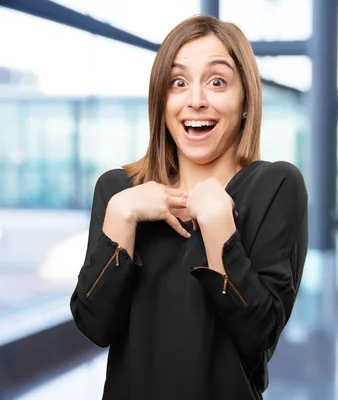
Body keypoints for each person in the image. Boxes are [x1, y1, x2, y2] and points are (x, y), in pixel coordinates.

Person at [70, 15, 308, 399]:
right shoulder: (118, 191)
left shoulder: (275, 186)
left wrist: (219, 228)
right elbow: (96, 326)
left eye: (217, 81)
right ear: (161, 102)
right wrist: (120, 217)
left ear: (245, 98)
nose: (196, 99)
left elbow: (259, 334)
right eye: (178, 82)